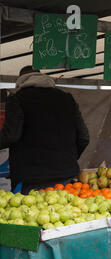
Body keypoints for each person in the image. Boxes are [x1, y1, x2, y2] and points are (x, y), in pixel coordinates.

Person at [0, 66, 90, 194]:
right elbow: (84, 137)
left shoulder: (17, 100)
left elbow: (11, 135)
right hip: (66, 175)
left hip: (33, 178)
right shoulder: (67, 99)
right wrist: (68, 158)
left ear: (20, 81)